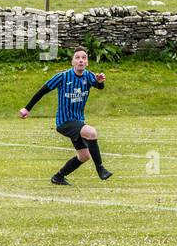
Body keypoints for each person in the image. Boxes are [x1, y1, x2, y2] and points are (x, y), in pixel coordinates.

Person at [19, 46, 112, 185]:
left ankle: (58, 177)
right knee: (91, 132)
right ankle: (101, 169)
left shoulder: (89, 75)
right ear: (72, 62)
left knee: (84, 156)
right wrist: (27, 108)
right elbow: (42, 91)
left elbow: (99, 87)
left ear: (87, 62)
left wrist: (100, 81)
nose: (81, 60)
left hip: (78, 120)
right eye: (77, 58)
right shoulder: (62, 76)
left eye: (84, 58)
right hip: (64, 122)